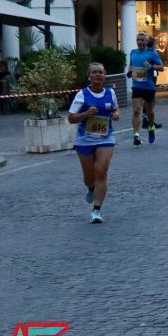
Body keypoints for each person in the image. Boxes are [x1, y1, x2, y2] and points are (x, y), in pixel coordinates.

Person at [68, 62, 119, 223]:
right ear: (89, 76)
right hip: (85, 141)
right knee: (89, 179)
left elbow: (115, 109)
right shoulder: (82, 94)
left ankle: (96, 211)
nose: (98, 75)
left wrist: (116, 114)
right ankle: (91, 188)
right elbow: (71, 118)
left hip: (105, 139)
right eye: (94, 72)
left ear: (105, 75)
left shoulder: (110, 93)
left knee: (101, 173)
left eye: (100, 72)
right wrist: (86, 113)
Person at [127, 31, 164, 147]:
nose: (140, 42)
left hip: (149, 86)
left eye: (142, 40)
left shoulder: (152, 53)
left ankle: (151, 126)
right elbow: (131, 64)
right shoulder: (133, 52)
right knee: (136, 110)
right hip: (137, 86)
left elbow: (161, 68)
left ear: (146, 41)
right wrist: (129, 71)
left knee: (149, 111)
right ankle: (136, 135)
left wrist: (151, 66)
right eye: (138, 40)